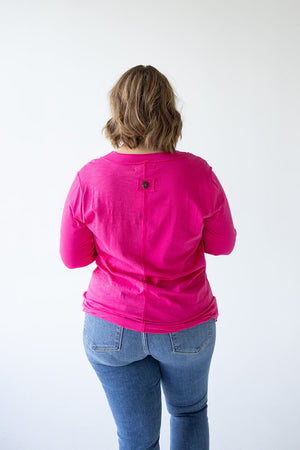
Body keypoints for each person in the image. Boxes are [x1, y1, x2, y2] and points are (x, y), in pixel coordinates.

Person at [59, 65, 237, 450]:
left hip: (110, 328)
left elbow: (73, 258)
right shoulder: (198, 173)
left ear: (118, 111)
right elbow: (222, 245)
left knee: (136, 441)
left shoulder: (90, 179)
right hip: (185, 324)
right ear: (168, 111)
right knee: (189, 414)